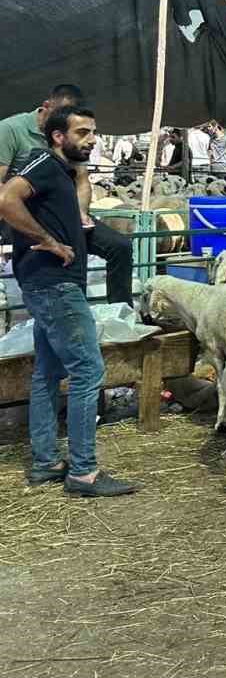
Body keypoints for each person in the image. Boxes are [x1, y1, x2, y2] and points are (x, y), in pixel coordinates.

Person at [0, 103, 135, 496]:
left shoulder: (61, 170)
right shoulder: (43, 162)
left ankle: (45, 462)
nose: (91, 139)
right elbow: (7, 200)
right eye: (82, 133)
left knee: (48, 372)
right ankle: (84, 471)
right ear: (58, 136)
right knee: (88, 370)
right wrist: (46, 241)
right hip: (54, 284)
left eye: (93, 132)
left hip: (47, 284)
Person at [0, 83, 134, 306]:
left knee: (119, 246)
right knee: (68, 254)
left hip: (64, 211)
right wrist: (45, 236)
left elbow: (82, 180)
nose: (90, 138)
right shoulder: (11, 130)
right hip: (26, 213)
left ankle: (121, 313)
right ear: (47, 109)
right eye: (82, 131)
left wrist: (81, 212)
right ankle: (71, 310)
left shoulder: (74, 139)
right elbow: (5, 194)